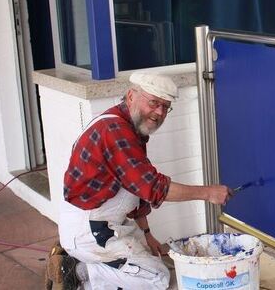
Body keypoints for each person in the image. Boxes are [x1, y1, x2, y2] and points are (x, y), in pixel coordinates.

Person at [46, 72, 232, 290]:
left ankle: (87, 272)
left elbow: (136, 189)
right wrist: (208, 193)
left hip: (106, 222)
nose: (159, 112)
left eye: (165, 106)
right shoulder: (114, 130)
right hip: (89, 228)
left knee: (147, 266)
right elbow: (152, 187)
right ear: (131, 96)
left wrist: (147, 233)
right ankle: (76, 270)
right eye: (153, 102)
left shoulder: (131, 130)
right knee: (157, 277)